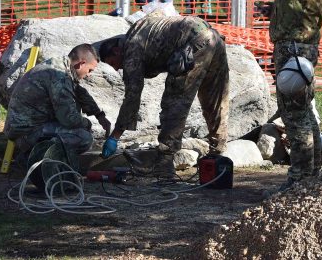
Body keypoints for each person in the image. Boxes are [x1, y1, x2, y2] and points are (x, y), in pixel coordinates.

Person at [248, 0, 322, 191]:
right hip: (304, 43)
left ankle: (299, 180)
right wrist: (278, 10)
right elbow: (305, 0)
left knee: (295, 116)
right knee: (304, 112)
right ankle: (311, 176)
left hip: (293, 47)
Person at [98, 15, 229, 179]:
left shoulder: (131, 49)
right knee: (215, 98)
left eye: (113, 63)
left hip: (192, 45)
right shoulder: (141, 30)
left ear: (117, 51)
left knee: (174, 103)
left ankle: (164, 164)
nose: (117, 68)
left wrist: (115, 137)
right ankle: (218, 154)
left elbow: (132, 96)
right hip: (213, 37)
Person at [4, 44, 111, 156]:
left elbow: (79, 92)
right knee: (83, 138)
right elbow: (69, 119)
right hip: (26, 133)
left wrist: (99, 115)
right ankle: (37, 157)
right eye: (89, 70)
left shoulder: (61, 66)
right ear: (81, 64)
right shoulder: (59, 77)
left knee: (80, 129)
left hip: (27, 126)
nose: (88, 75)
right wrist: (87, 124)